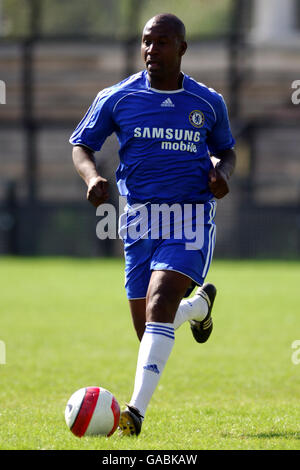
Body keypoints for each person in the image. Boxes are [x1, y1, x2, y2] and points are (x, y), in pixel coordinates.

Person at [70, 13, 236, 436]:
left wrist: (223, 174)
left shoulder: (206, 102)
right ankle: (198, 308)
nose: (151, 50)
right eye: (147, 41)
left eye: (162, 42)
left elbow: (226, 151)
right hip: (139, 220)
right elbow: (82, 145)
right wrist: (92, 177)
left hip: (190, 216)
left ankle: (134, 415)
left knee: (160, 301)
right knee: (148, 327)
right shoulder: (118, 97)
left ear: (182, 48)